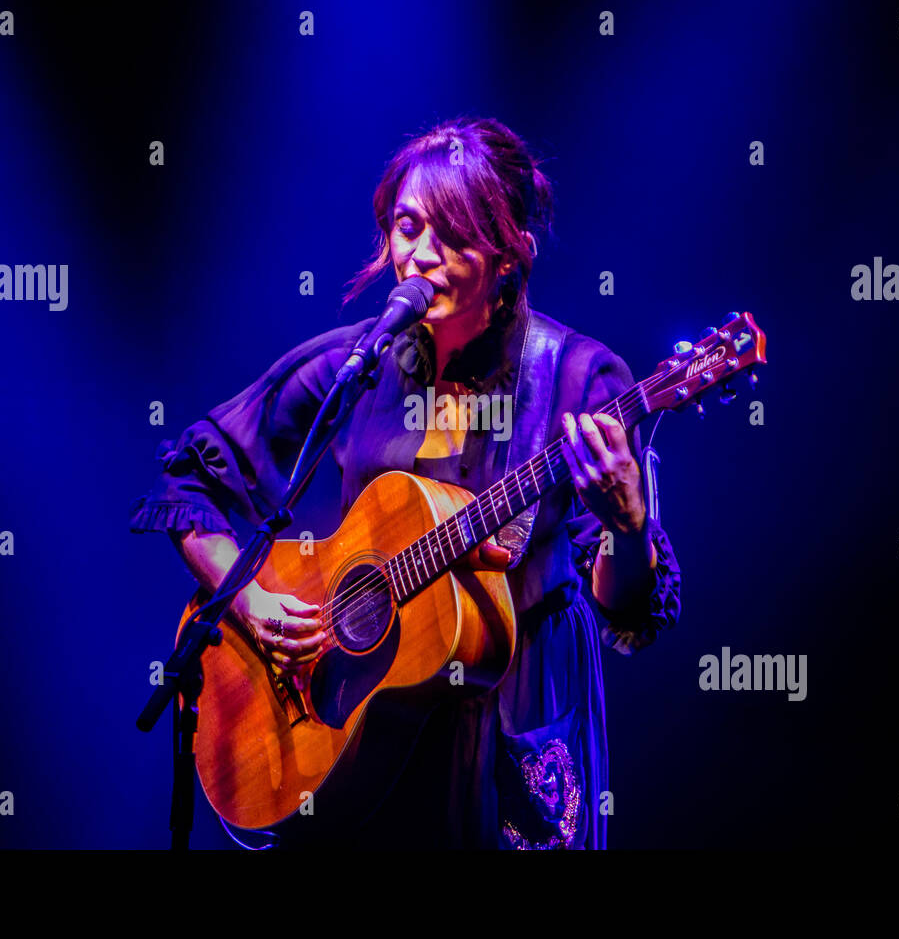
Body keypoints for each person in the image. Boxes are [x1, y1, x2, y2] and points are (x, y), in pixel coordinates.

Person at [130, 116, 681, 849]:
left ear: (509, 252)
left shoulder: (577, 379)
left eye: (450, 235)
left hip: (507, 736)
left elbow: (628, 614)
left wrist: (628, 525)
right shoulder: (354, 368)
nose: (418, 255)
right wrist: (253, 598)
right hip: (357, 726)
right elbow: (194, 478)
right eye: (406, 227)